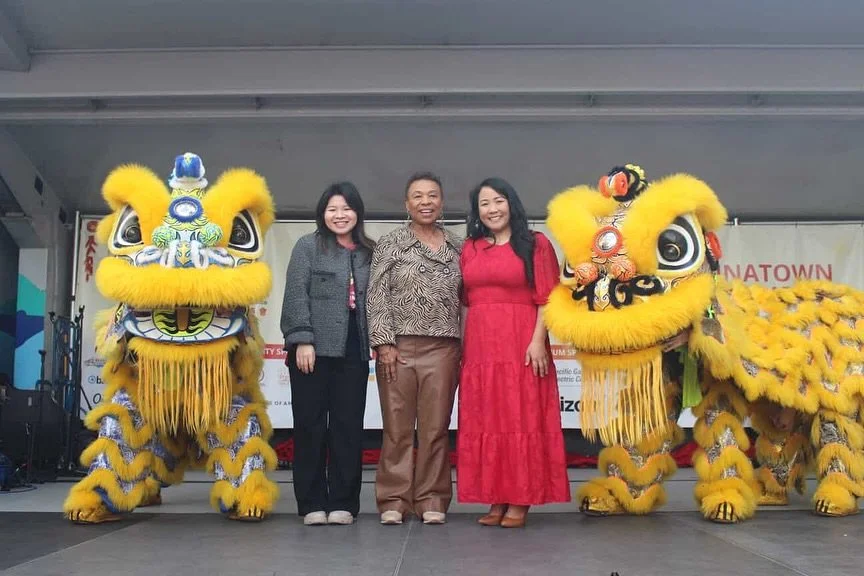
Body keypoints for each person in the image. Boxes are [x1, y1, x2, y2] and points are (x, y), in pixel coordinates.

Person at [456, 177, 570, 528]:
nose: (492, 209)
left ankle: (521, 499)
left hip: (522, 340)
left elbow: (549, 297)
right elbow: (464, 300)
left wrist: (538, 341)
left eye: (498, 201)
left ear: (512, 203)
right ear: (477, 212)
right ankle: (496, 498)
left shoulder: (535, 244)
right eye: (484, 204)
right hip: (480, 345)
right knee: (487, 418)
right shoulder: (471, 247)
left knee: (521, 416)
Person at [366, 172, 463, 525]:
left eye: (432, 195)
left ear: (442, 201)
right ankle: (393, 499)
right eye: (418, 196)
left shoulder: (458, 246)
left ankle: (432, 499)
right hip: (399, 348)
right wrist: (384, 343)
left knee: (436, 429)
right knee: (397, 429)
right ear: (407, 204)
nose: (426, 202)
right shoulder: (391, 243)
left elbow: (467, 301)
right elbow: (375, 295)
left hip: (445, 349)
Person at [280, 181, 376, 526]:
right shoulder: (308, 246)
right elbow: (295, 295)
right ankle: (311, 503)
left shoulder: (369, 251)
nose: (340, 215)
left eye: (347, 209)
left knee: (348, 428)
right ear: (323, 214)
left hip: (354, 350)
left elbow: (377, 302)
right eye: (333, 209)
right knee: (310, 427)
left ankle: (344, 503)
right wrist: (302, 339)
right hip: (313, 352)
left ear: (357, 213)